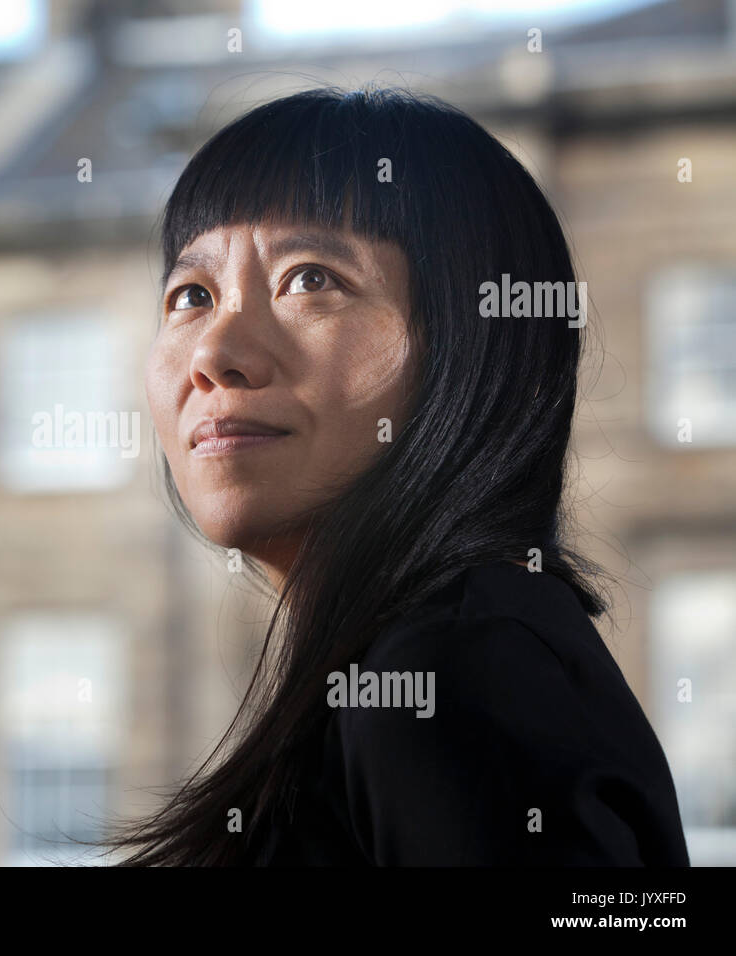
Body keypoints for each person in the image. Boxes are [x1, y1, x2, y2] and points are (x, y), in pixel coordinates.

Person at [91, 86, 690, 866]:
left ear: (470, 350)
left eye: (310, 280)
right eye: (191, 295)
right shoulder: (416, 660)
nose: (213, 354)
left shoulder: (455, 669)